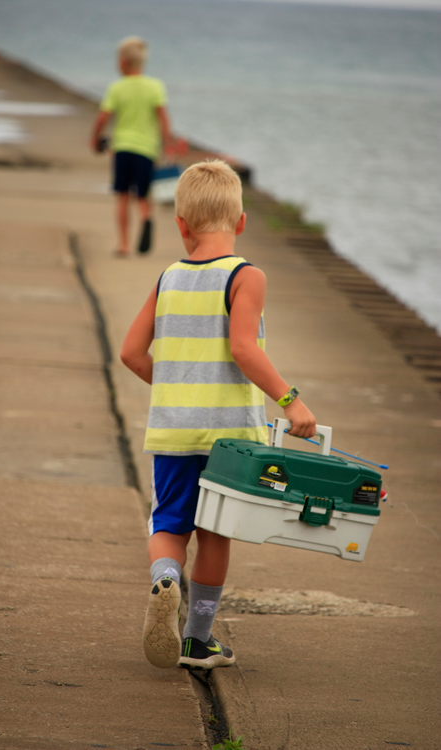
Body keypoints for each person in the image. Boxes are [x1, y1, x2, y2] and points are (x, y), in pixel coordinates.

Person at [120, 160, 316, 670]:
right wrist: (291, 401)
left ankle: (165, 578)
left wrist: (173, 392)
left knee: (168, 524)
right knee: (214, 533)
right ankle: (197, 639)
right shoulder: (246, 275)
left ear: (180, 224)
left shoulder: (168, 277)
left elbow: (132, 354)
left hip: (173, 432)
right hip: (229, 439)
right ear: (242, 221)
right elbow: (244, 349)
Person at [90, 36, 172, 256]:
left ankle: (124, 244)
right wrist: (167, 144)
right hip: (146, 148)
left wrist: (95, 139)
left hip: (123, 147)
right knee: (143, 195)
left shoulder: (117, 88)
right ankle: (146, 217)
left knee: (123, 195)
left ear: (124, 61)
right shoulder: (155, 86)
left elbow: (102, 118)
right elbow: (163, 118)